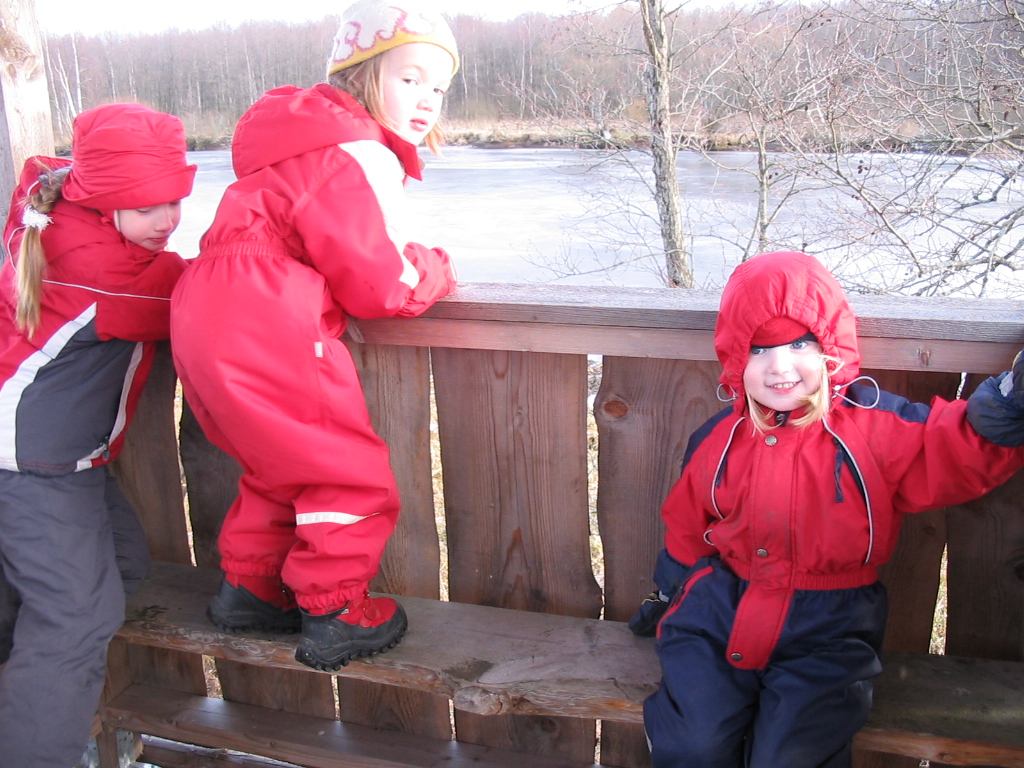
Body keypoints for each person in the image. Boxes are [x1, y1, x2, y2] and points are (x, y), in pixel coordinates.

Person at [630, 250, 1024, 768]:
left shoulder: (873, 428)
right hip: (717, 613)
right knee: (694, 743)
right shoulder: (719, 438)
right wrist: (668, 593)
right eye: (759, 350)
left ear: (830, 349)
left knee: (790, 755)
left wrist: (1008, 406)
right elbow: (687, 525)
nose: (779, 366)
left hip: (829, 626)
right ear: (736, 358)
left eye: (800, 344)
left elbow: (953, 450)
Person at [169, 0, 459, 672]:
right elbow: (382, 283)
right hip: (265, 317)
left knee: (278, 465)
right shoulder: (356, 151)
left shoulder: (293, 149)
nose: (427, 100)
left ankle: (249, 591)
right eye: (410, 78)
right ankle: (335, 612)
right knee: (345, 473)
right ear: (360, 75)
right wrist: (438, 268)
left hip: (203, 311)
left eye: (440, 88)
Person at [0, 103, 195, 768]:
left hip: (58, 458)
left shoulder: (51, 208)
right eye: (146, 208)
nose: (166, 221)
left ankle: (29, 718)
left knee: (120, 566)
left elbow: (50, 168)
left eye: (174, 201)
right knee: (74, 620)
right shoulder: (107, 275)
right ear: (103, 203)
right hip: (32, 462)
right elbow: (208, 295)